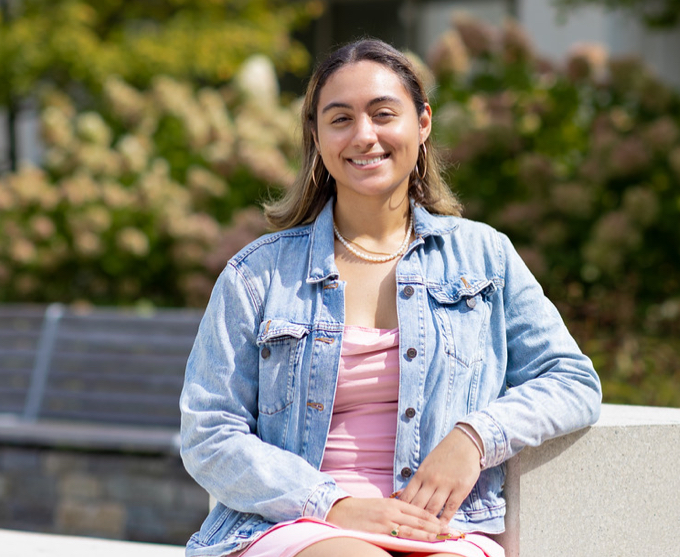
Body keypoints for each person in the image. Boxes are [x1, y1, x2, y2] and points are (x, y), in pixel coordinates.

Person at [180, 39, 602, 557]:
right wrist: (330, 504)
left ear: (422, 123)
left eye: (383, 114)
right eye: (340, 119)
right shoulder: (258, 274)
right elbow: (209, 433)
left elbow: (573, 379)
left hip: (444, 527)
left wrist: (475, 437)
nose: (364, 136)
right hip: (294, 524)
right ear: (317, 135)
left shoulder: (484, 257)